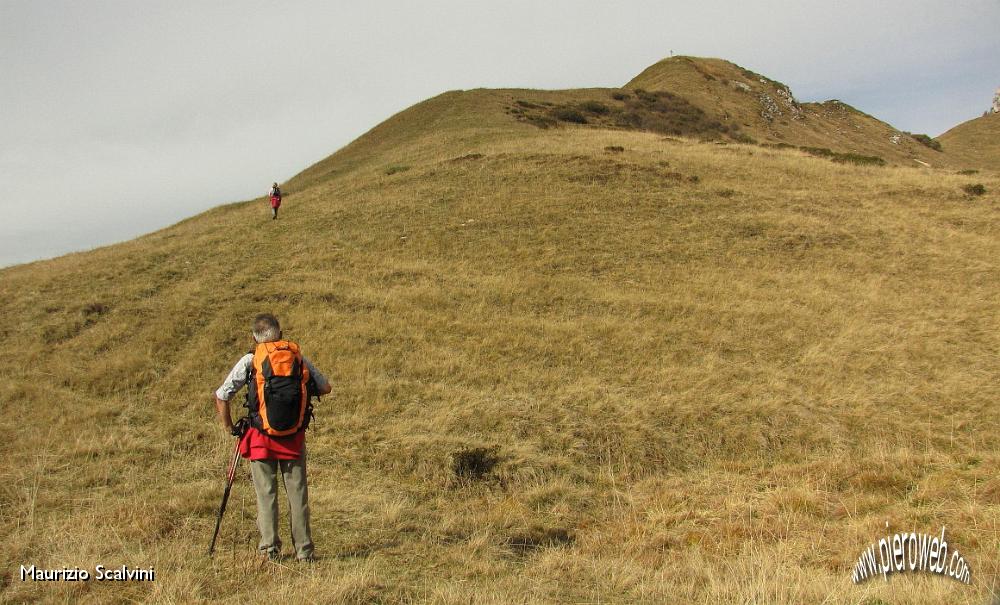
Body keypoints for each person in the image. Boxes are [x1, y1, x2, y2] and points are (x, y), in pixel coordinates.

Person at [213, 313, 331, 562]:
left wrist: (230, 427)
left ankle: (270, 551)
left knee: (266, 495)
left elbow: (222, 396)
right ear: (280, 331)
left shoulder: (251, 359)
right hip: (294, 438)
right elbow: (325, 387)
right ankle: (305, 552)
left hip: (260, 437)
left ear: (254, 337)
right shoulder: (296, 356)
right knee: (298, 496)